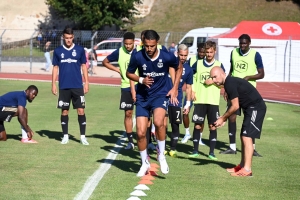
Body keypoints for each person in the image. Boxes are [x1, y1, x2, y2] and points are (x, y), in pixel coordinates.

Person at [126, 30, 183, 177]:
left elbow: (179, 67)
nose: (149, 49)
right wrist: (141, 80)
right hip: (143, 97)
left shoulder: (166, 56)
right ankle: (144, 162)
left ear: (156, 43)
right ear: (144, 43)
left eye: (152, 46)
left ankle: (161, 156)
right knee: (140, 133)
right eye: (146, 46)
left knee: (159, 122)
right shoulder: (137, 56)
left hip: (160, 95)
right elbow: (129, 73)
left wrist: (175, 87)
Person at [211, 66, 267, 177]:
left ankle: (247, 170)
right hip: (249, 108)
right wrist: (225, 118)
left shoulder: (229, 83)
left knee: (247, 136)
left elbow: (235, 106)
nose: (214, 80)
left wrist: (223, 118)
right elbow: (234, 104)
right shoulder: (229, 82)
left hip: (256, 107)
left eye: (215, 77)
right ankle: (242, 166)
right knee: (243, 136)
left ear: (222, 73)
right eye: (212, 78)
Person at [219, 34, 265, 157]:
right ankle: (232, 147)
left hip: (248, 93)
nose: (242, 45)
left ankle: (252, 148)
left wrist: (249, 77)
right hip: (234, 90)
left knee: (249, 120)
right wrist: (226, 88)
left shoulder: (256, 54)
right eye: (241, 43)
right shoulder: (233, 52)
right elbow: (231, 70)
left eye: (245, 43)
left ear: (249, 42)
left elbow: (261, 74)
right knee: (232, 116)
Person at [51, 26, 89, 145]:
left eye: (70, 38)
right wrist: (53, 84)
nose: (68, 40)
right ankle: (65, 136)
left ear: (73, 37)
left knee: (81, 110)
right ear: (63, 37)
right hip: (64, 86)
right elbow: (55, 67)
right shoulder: (57, 51)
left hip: (77, 86)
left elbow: (83, 66)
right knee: (64, 111)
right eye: (66, 38)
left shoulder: (80, 50)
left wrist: (86, 82)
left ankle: (82, 136)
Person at [189, 40, 225, 160]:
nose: (209, 54)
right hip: (200, 100)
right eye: (207, 52)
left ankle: (211, 152)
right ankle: (195, 150)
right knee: (198, 125)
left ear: (215, 51)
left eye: (211, 52)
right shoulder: (198, 64)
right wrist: (192, 91)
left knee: (212, 126)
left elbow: (224, 84)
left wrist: (213, 81)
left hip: (213, 101)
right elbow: (190, 78)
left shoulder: (219, 65)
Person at [102, 32, 137, 150]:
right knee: (128, 113)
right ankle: (130, 141)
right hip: (126, 86)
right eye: (126, 44)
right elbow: (105, 62)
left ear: (134, 42)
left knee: (146, 115)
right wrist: (117, 70)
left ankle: (149, 141)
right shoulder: (119, 52)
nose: (128, 46)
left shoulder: (139, 52)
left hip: (140, 86)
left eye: (130, 44)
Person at [166, 44, 193, 157]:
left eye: (185, 55)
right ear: (177, 53)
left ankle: (172, 148)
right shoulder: (169, 63)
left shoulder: (189, 69)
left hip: (177, 99)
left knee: (175, 124)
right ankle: (159, 146)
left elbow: (189, 87)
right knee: (161, 123)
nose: (183, 57)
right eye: (181, 55)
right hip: (164, 96)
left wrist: (187, 104)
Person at [181, 42, 206, 145]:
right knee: (185, 112)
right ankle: (187, 133)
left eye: (203, 52)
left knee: (201, 116)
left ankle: (199, 137)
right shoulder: (191, 61)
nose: (202, 54)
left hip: (202, 92)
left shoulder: (208, 62)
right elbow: (188, 76)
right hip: (190, 91)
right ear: (197, 51)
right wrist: (191, 90)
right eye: (200, 51)